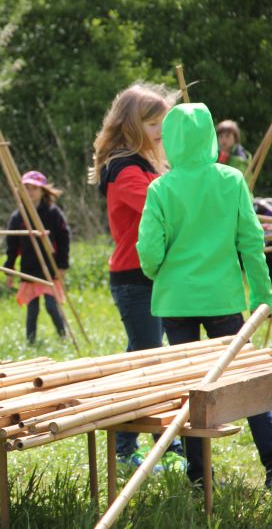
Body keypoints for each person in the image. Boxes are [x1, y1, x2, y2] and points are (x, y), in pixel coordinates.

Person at [137, 102, 272, 488]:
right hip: (222, 299)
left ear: (171, 140)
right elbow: (251, 242)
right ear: (210, 135)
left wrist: (158, 272)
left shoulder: (161, 187)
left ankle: (198, 475)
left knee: (190, 388)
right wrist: (263, 296)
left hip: (176, 301)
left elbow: (149, 250)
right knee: (247, 382)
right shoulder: (231, 180)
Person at [89, 82, 185, 468]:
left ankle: (156, 443)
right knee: (147, 363)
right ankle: (129, 448)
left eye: (164, 121)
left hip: (154, 277)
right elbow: (163, 209)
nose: (161, 130)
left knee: (147, 360)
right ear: (131, 125)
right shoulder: (125, 169)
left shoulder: (149, 164)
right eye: (152, 123)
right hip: (134, 279)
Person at [4, 171, 69, 343]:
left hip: (49, 267)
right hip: (29, 268)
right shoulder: (18, 216)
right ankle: (30, 341)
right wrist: (9, 269)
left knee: (51, 305)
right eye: (27, 188)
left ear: (42, 191)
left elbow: (64, 239)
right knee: (32, 309)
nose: (30, 192)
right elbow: (11, 246)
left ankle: (63, 336)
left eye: (34, 188)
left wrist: (62, 265)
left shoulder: (53, 212)